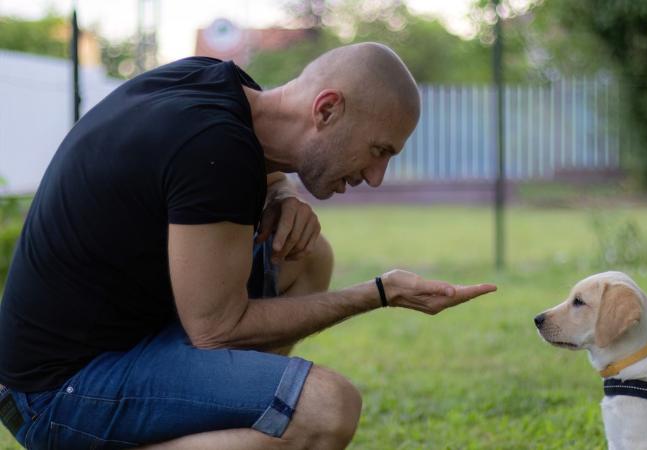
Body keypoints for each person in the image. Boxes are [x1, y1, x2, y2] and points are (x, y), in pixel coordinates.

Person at [0, 42, 496, 449]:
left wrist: (281, 191)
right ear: (326, 109)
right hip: (54, 392)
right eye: (378, 150)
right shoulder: (214, 148)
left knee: (307, 255)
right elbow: (217, 330)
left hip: (113, 346)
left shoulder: (220, 84)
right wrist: (378, 293)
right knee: (326, 408)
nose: (376, 176)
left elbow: (256, 162)